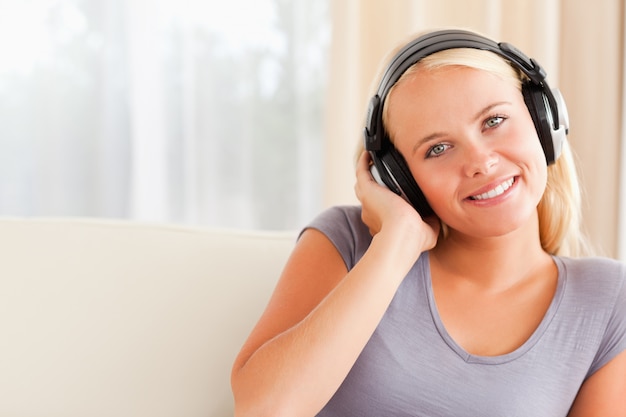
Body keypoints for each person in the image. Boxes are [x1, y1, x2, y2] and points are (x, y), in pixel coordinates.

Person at [230, 28, 626, 417]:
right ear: (400, 180)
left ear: (544, 119)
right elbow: (264, 409)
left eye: (493, 121)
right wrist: (395, 244)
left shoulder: (607, 302)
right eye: (438, 148)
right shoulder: (347, 243)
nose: (480, 162)